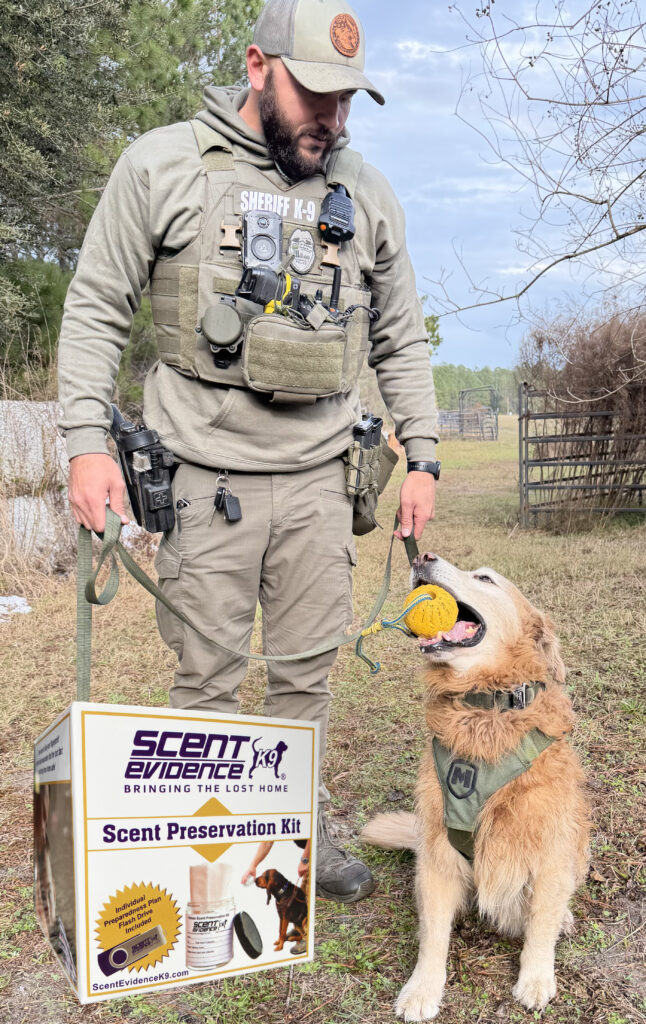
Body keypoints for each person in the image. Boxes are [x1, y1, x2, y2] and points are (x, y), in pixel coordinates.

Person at [58, 0, 440, 904]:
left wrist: (422, 454)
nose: (333, 121)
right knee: (208, 685)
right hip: (205, 483)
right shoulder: (163, 164)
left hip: (319, 486)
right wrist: (84, 442)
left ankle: (292, 840)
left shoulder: (367, 192)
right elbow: (96, 305)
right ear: (257, 66)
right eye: (317, 96)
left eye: (349, 102)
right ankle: (211, 862)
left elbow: (401, 338)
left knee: (307, 676)